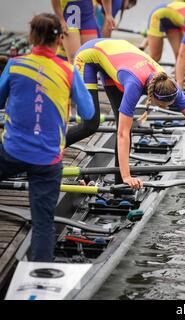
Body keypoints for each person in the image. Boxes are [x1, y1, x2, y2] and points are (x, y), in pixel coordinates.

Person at [67, 38, 185, 189]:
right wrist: (129, 175)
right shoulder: (134, 86)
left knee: (127, 129)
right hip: (89, 56)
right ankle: (51, 151)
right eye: (166, 105)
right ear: (153, 97)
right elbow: (121, 135)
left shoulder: (168, 84)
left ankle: (120, 183)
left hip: (117, 56)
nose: (168, 108)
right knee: (91, 125)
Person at [0, 13, 95, 262]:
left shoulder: (15, 64)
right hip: (48, 160)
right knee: (43, 223)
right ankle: (40, 273)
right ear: (61, 40)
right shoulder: (68, 70)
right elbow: (88, 113)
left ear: (31, 36)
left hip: (11, 153)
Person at [51, 0, 115, 63]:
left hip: (87, 15)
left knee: (89, 56)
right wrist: (61, 19)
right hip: (69, 16)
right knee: (75, 58)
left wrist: (108, 14)